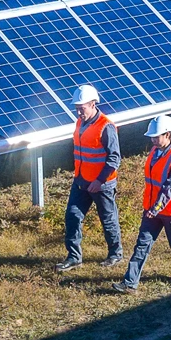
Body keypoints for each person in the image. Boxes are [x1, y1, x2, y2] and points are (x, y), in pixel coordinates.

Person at [113, 114, 171, 293]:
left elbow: (170, 188)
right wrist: (152, 208)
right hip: (152, 210)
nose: (153, 140)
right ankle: (130, 283)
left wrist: (156, 208)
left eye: (157, 137)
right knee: (142, 245)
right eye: (152, 137)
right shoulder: (155, 152)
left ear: (168, 135)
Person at [56, 84, 122, 272]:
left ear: (93, 104)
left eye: (81, 107)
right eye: (76, 108)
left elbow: (114, 159)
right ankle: (74, 257)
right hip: (81, 181)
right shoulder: (80, 122)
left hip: (102, 185)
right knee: (72, 216)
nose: (78, 112)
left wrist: (99, 181)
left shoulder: (106, 127)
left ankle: (115, 254)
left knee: (108, 219)